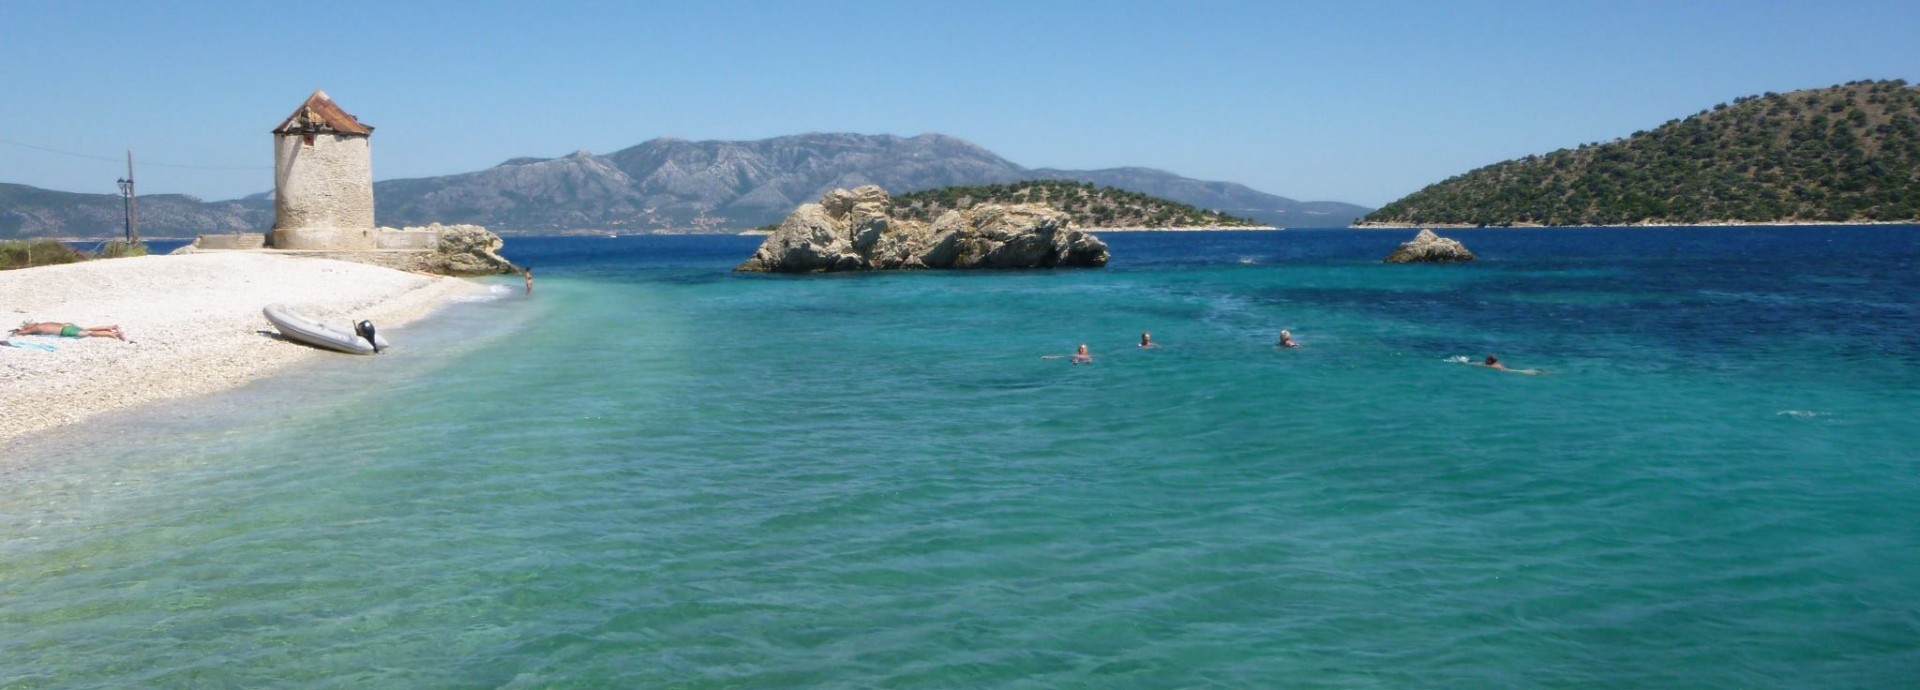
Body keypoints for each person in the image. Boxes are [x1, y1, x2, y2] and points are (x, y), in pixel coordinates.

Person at [11, 321, 124, 340]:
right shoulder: (44, 323)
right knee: (86, 329)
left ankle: (111, 334)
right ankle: (109, 327)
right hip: (68, 325)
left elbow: (23, 333)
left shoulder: (37, 327)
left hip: (64, 330)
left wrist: (17, 332)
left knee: (88, 333)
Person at [1475, 354, 1542, 375]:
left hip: (1506, 370)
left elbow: (1480, 365)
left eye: (1487, 359)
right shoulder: (1495, 364)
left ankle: (1532, 372)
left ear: (1490, 360)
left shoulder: (1492, 365)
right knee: (1520, 371)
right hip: (1506, 369)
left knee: (1521, 371)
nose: (1486, 359)